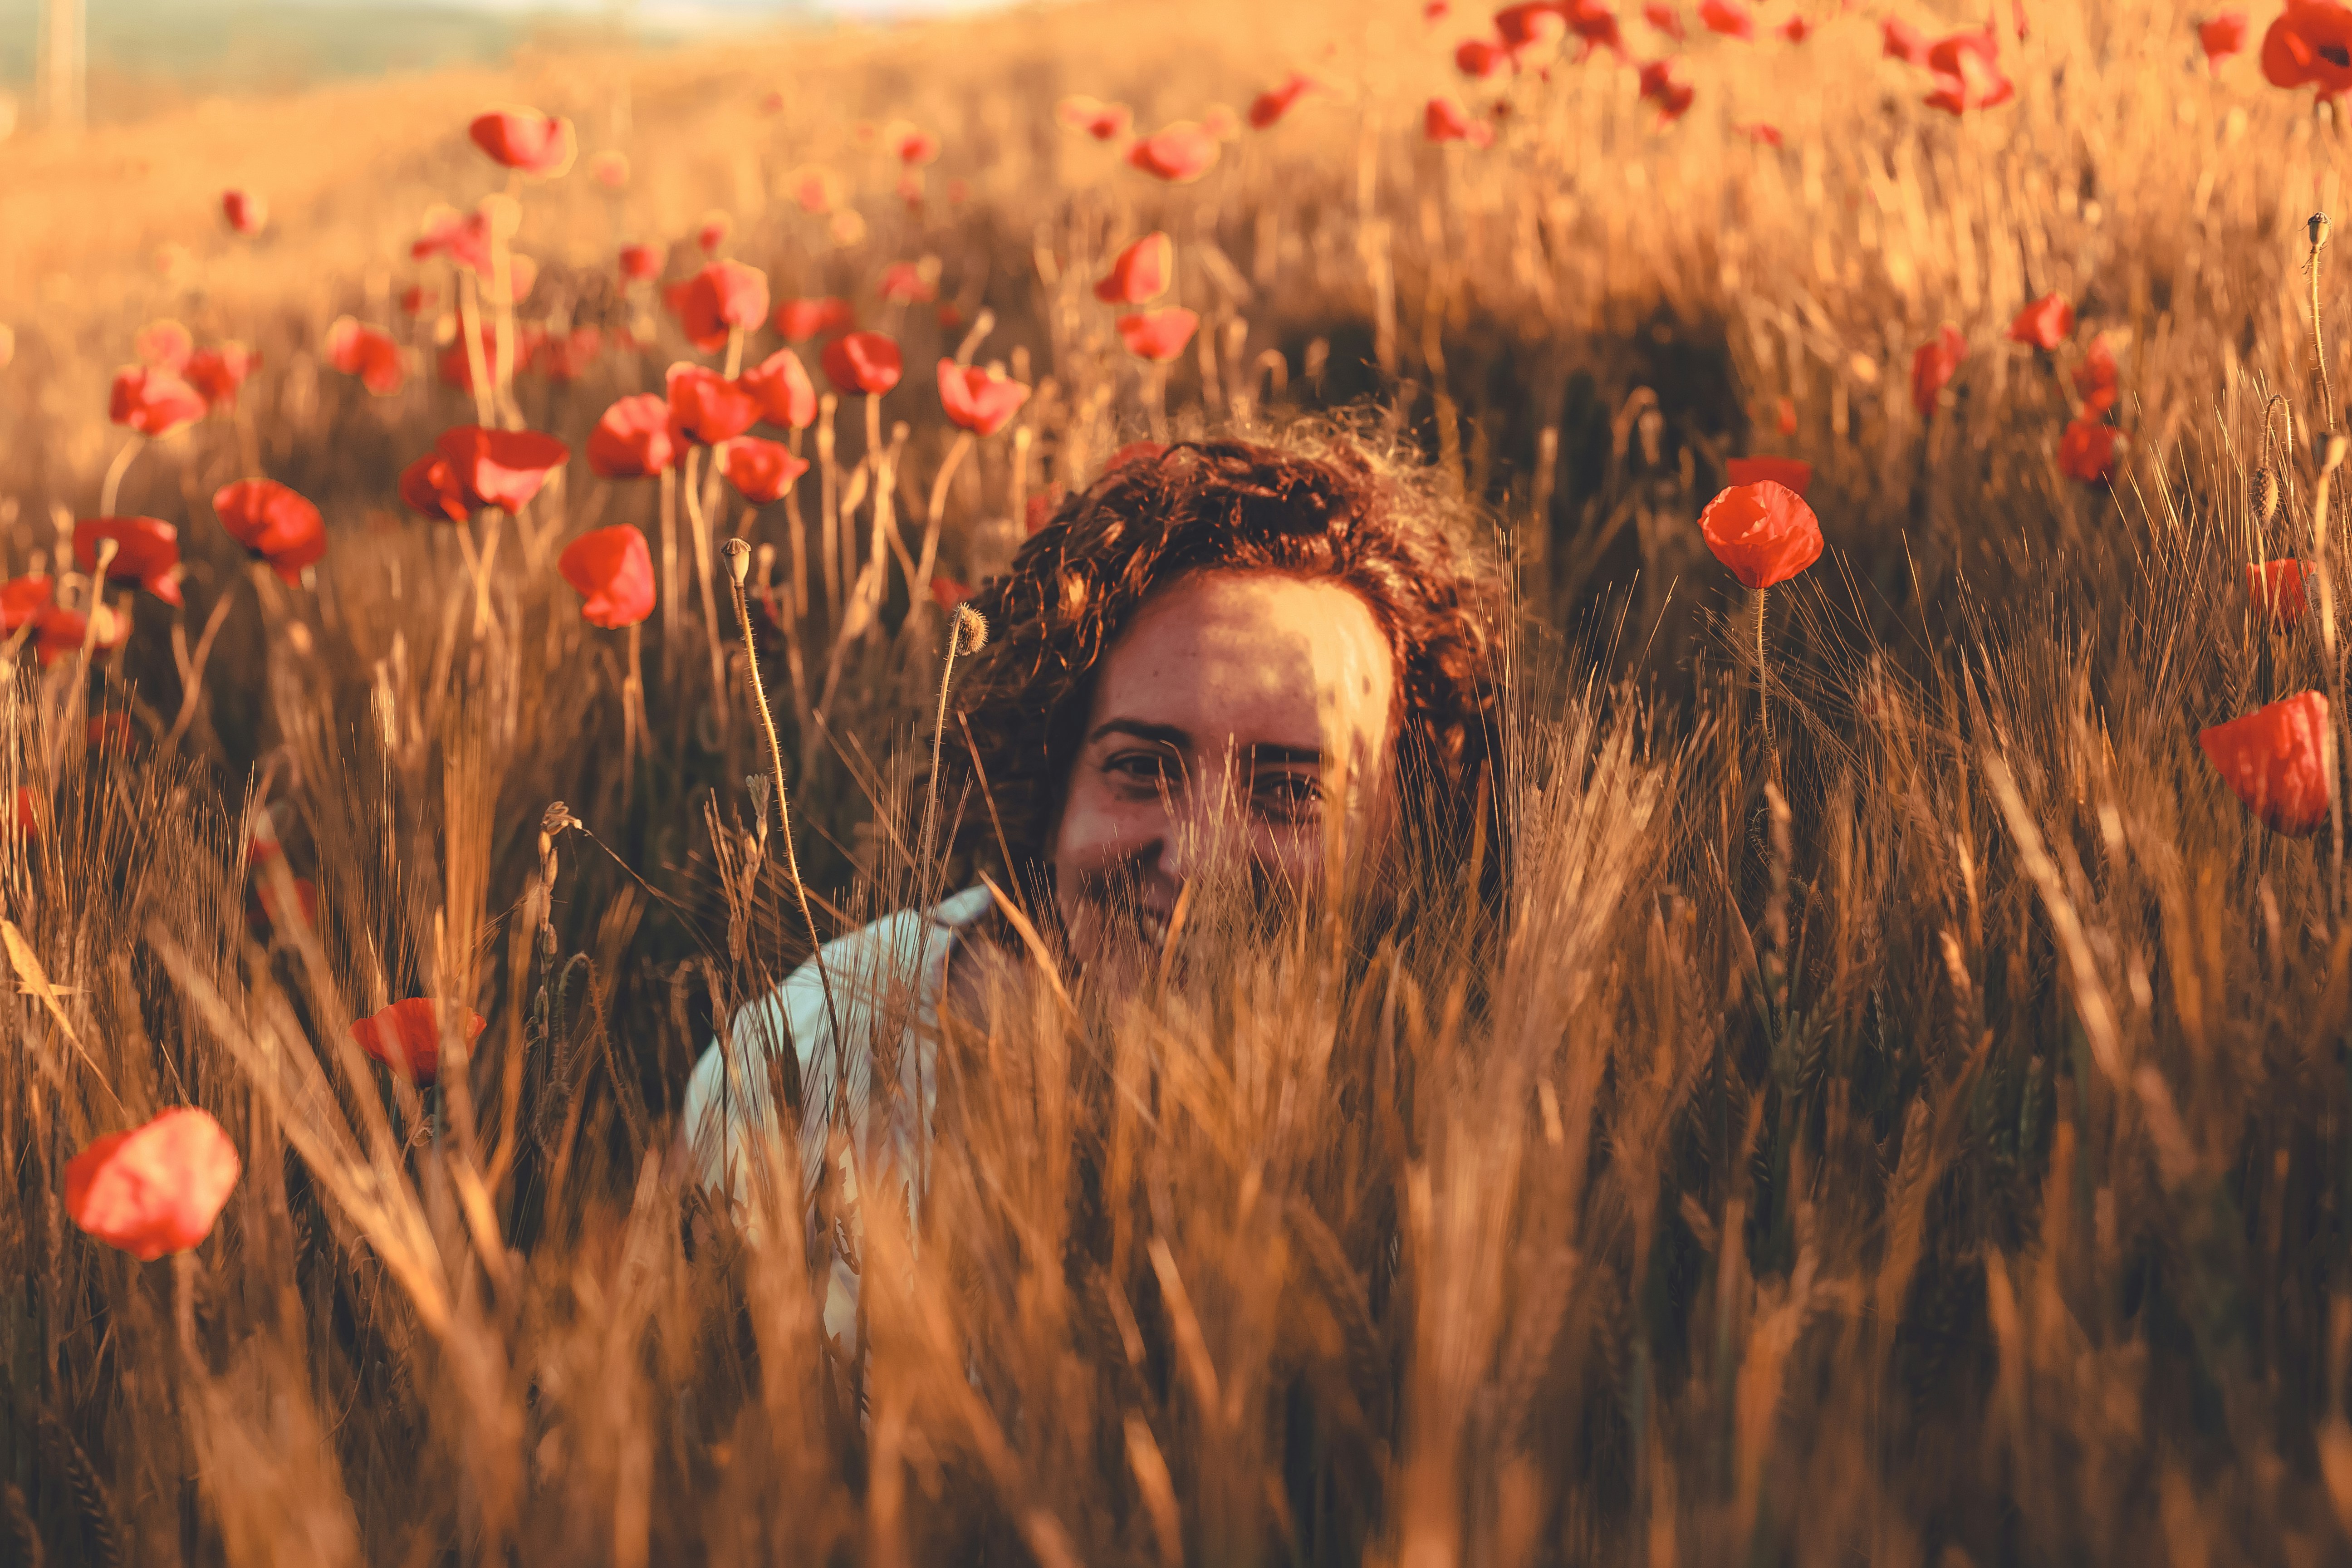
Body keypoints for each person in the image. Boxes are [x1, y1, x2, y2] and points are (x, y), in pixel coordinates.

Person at [681, 424, 1503, 1343]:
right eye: (1143, 768)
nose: (1198, 864)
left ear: (1408, 826)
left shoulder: (1488, 1129)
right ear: (1048, 779)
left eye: (1290, 792)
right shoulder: (800, 1066)